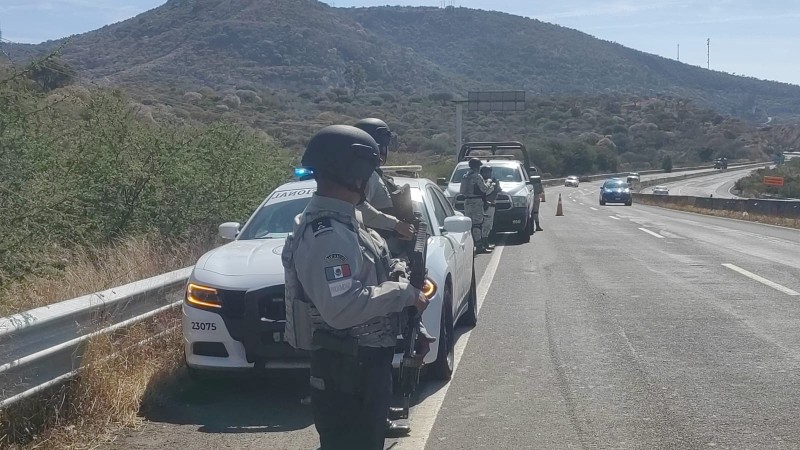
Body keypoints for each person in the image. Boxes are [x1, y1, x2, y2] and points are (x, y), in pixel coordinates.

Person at [282, 125, 431, 450]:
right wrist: (404, 294)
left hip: (360, 367)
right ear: (353, 173)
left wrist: (406, 307)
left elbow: (372, 274)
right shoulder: (329, 234)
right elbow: (343, 308)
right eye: (367, 170)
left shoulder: (349, 221)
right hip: (346, 372)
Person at [354, 117, 415, 437]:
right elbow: (364, 211)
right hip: (374, 264)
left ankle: (380, 406)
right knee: (376, 348)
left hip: (380, 258)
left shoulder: (366, 174)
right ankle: (375, 418)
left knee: (384, 345)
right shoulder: (364, 176)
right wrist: (396, 224)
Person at [354, 118, 415, 242]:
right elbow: (358, 209)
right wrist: (397, 225)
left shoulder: (375, 175)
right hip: (374, 246)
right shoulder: (367, 176)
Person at [460, 158, 493, 253]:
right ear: (476, 166)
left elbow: (461, 191)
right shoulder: (477, 176)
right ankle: (479, 246)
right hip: (476, 201)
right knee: (477, 224)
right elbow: (484, 189)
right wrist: (489, 182)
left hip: (467, 202)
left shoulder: (465, 176)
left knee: (469, 224)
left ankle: (470, 245)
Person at [480, 166, 501, 250]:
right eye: (486, 172)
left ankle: (486, 241)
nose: (488, 174)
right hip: (486, 206)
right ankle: (483, 243)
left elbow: (498, 191)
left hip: (492, 205)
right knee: (485, 225)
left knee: (489, 225)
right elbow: (486, 195)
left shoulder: (491, 182)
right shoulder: (482, 183)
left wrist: (497, 187)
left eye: (489, 172)